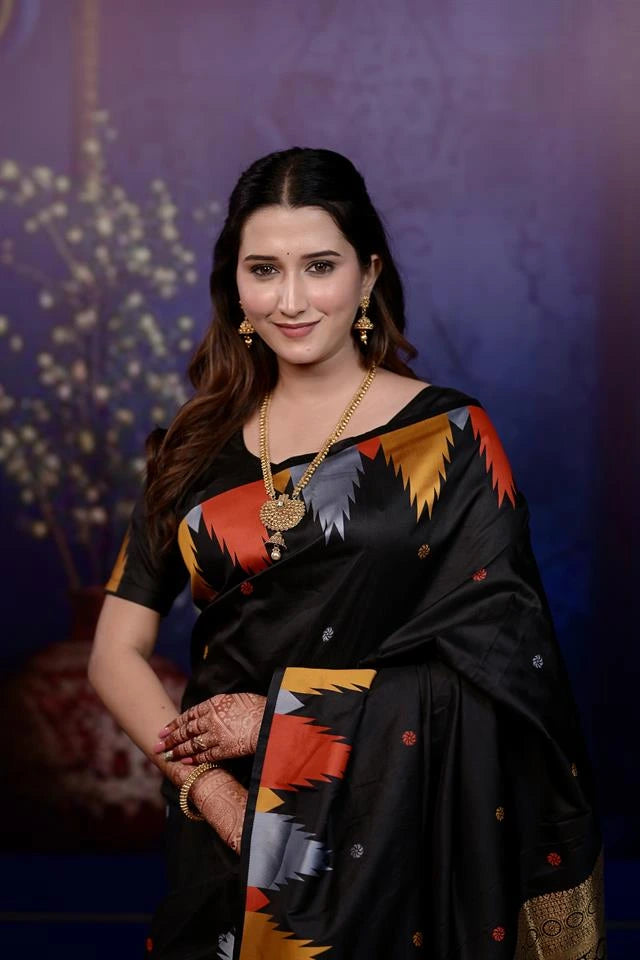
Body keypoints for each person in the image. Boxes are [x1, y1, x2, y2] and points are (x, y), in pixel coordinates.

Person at [89, 147, 606, 960]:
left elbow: (510, 677)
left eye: (319, 266)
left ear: (367, 276)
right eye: (264, 269)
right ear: (235, 288)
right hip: (226, 840)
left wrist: (281, 722)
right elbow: (115, 651)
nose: (290, 300)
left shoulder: (453, 440)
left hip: (397, 832)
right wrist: (212, 789)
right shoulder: (192, 450)